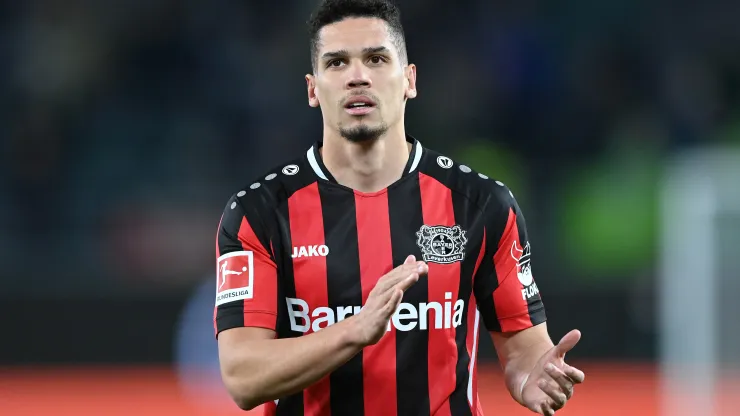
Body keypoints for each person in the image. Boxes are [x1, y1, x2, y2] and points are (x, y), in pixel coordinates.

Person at [214, 0, 585, 415]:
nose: (357, 77)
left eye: (375, 58)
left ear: (409, 79)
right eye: (337, 63)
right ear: (313, 89)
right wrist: (356, 330)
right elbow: (243, 378)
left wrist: (533, 375)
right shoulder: (260, 213)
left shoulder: (480, 204)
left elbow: (522, 348)